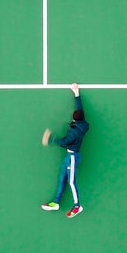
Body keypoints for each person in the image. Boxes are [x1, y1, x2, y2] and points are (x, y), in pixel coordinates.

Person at [40, 83, 89, 218]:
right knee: (62, 177)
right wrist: (76, 93)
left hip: (73, 158)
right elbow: (80, 109)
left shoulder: (74, 133)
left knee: (71, 181)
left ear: (75, 119)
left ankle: (77, 206)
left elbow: (64, 142)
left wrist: (51, 139)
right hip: (69, 157)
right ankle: (56, 202)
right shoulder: (82, 123)